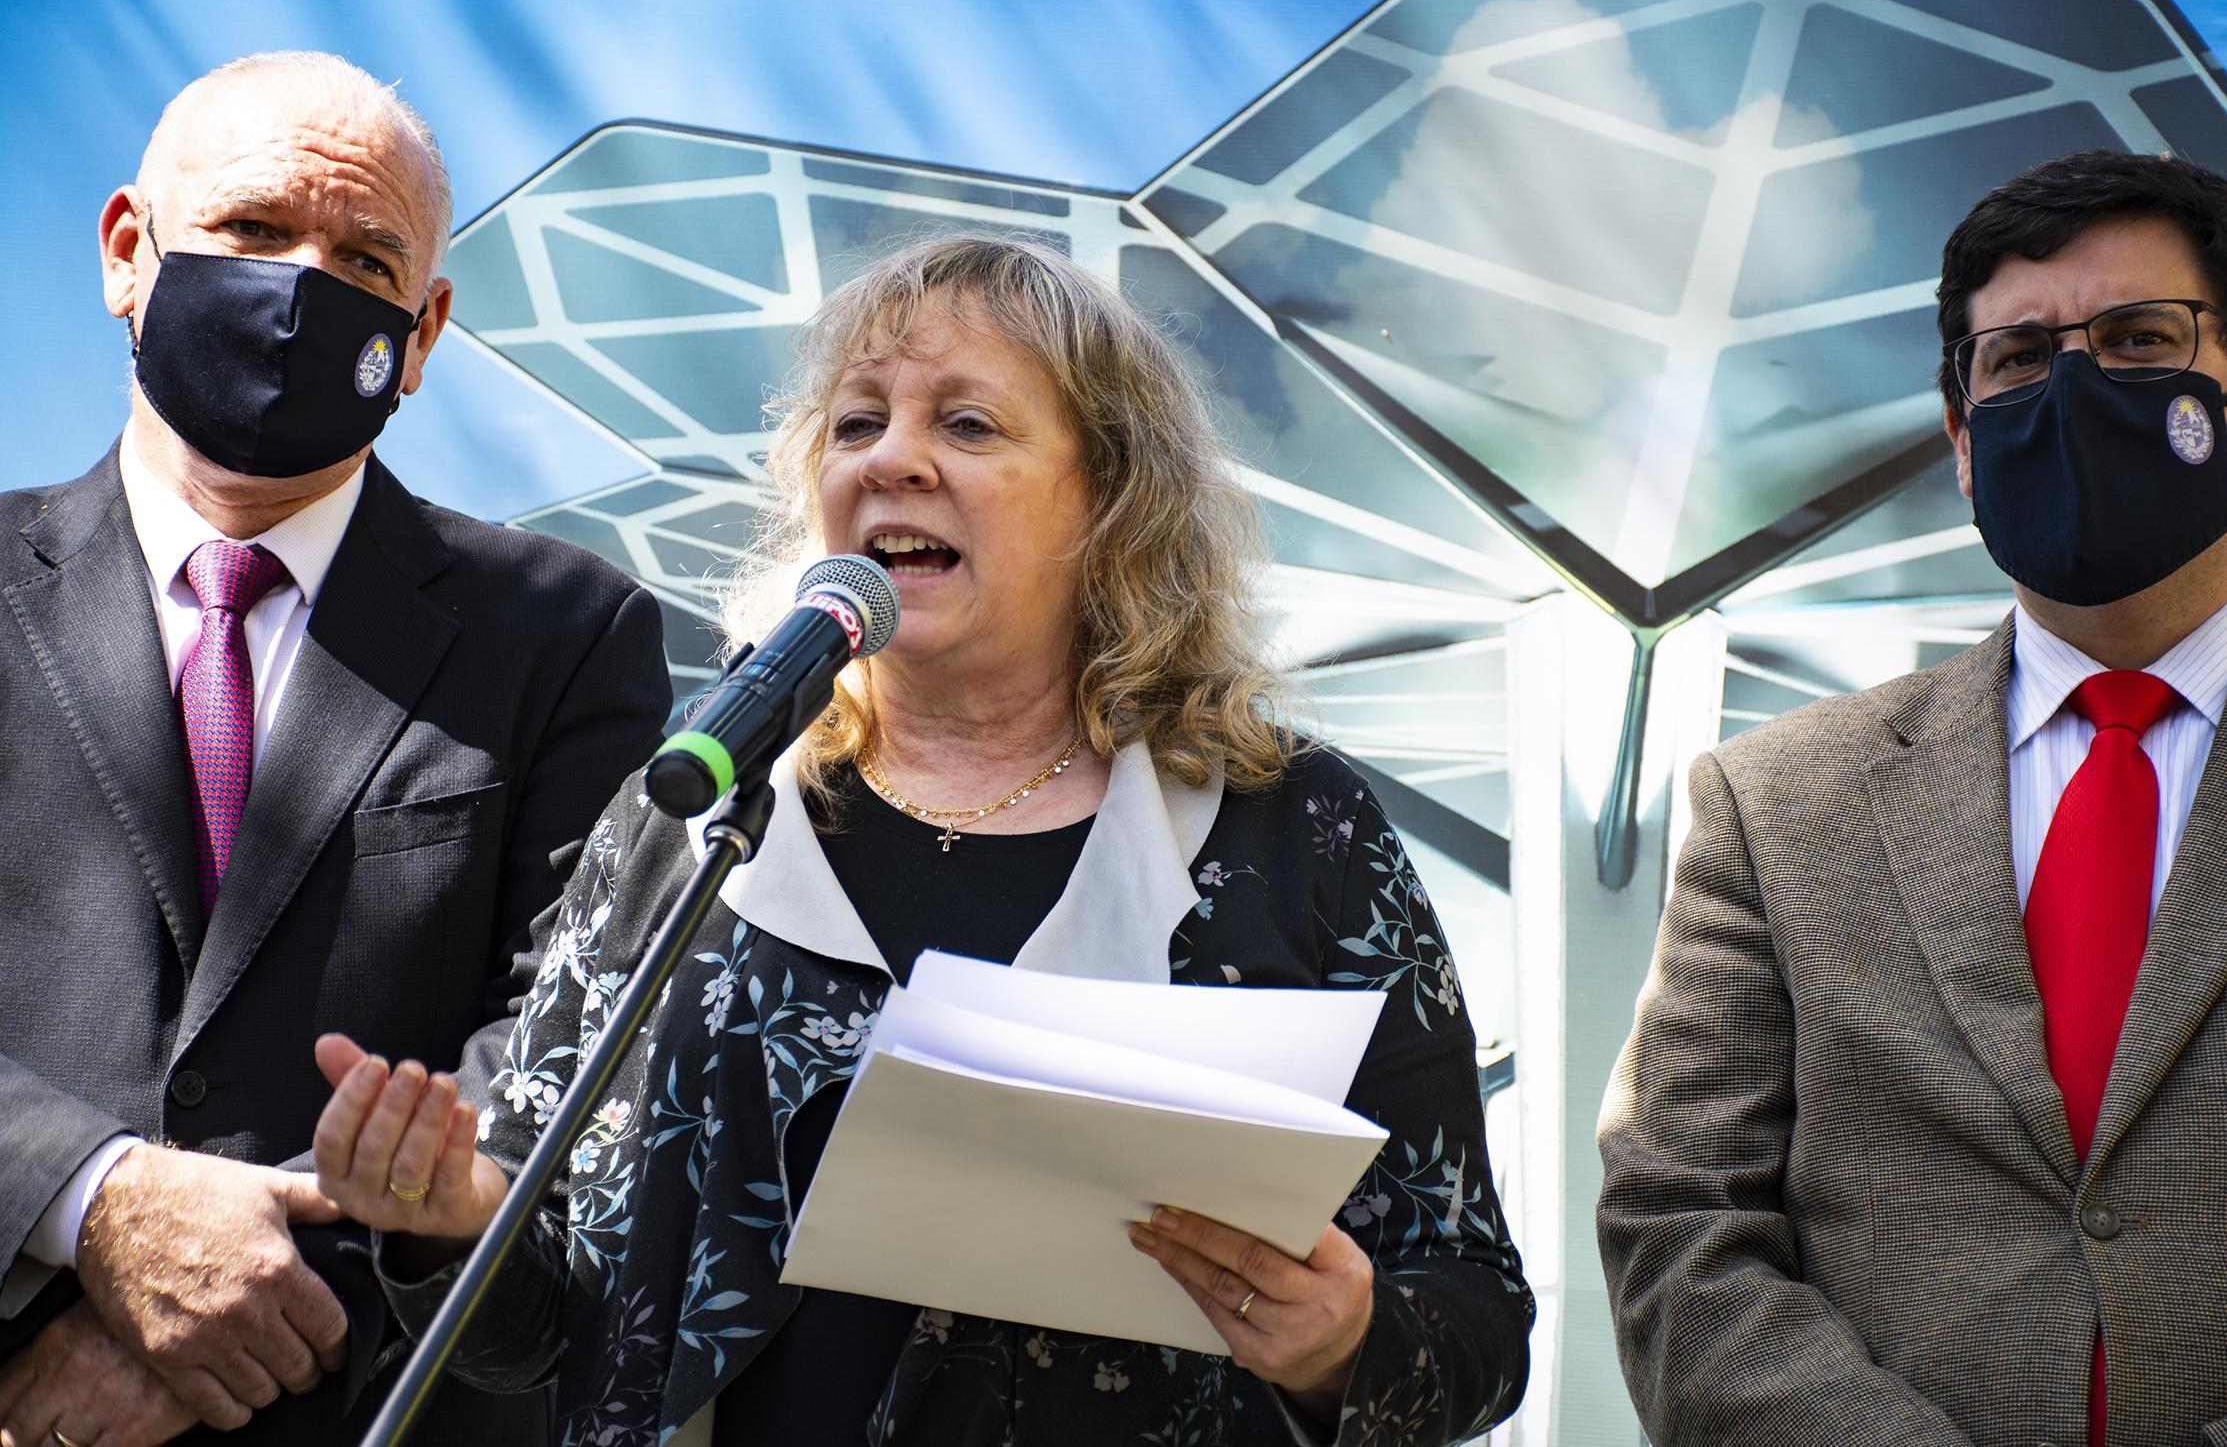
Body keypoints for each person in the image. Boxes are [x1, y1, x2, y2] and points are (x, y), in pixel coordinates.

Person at [307, 233, 1533, 1446]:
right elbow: (549, 1328)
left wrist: (1342, 1347)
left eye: (967, 425)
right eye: (854, 425)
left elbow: (1474, 1307)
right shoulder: (698, 808)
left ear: (1108, 502)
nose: (893, 459)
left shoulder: (1289, 823)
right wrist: (442, 1219)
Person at [0, 53, 671, 1447]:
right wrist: (93, 1201)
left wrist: (238, 1305)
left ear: (419, 338)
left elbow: (573, 1042)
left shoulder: (563, 634)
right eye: (250, 231)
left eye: (363, 257)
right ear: (130, 252)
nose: (303, 285)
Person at [1598, 148, 2227, 1446]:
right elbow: (1678, 1228)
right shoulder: (1773, 807)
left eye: (2135, 338)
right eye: (2015, 358)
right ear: (1957, 438)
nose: (2070, 389)